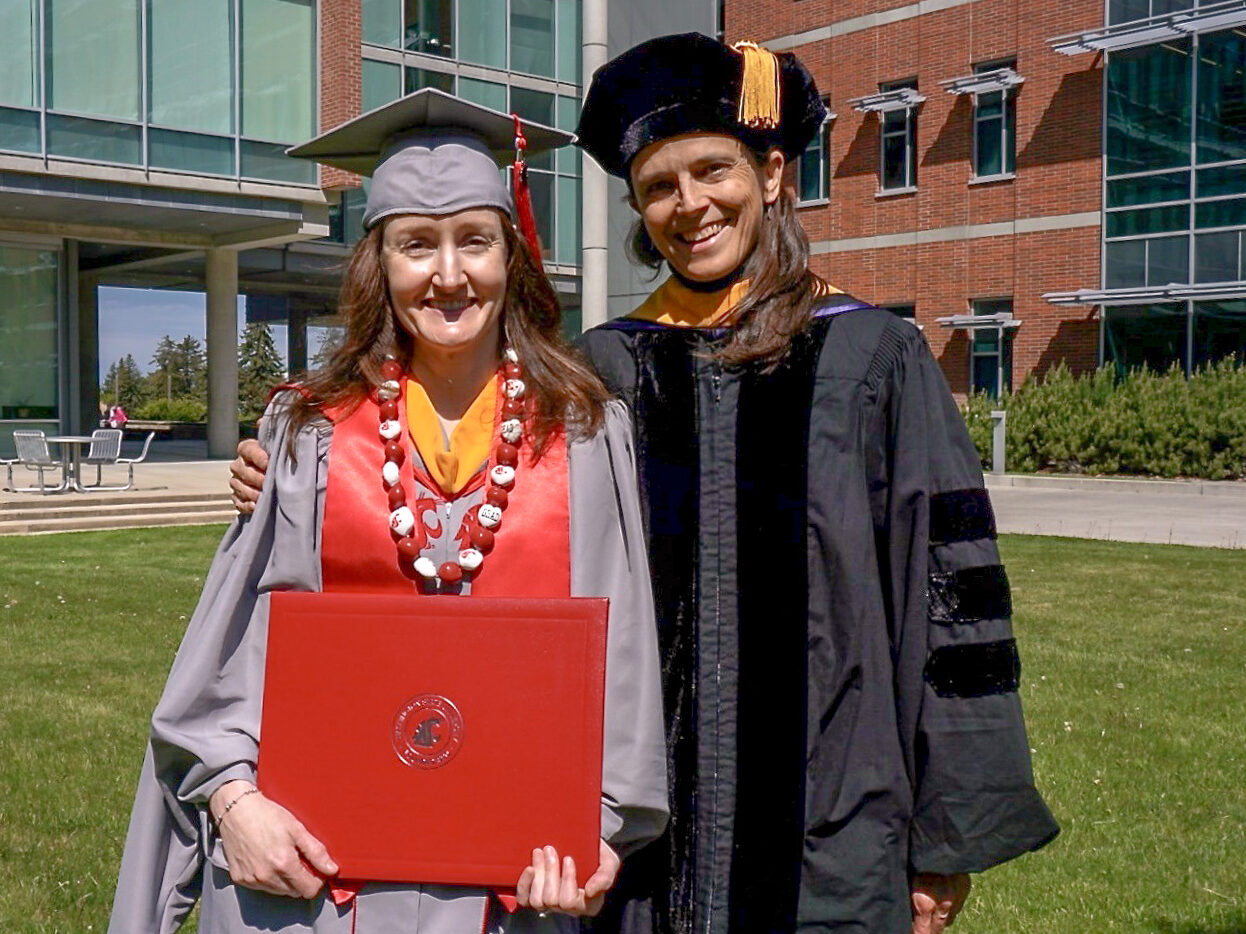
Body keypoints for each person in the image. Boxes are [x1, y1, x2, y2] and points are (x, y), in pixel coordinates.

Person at [232, 35, 1059, 934]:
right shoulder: (603, 374)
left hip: (834, 827)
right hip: (629, 844)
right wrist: (294, 479)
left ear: (774, 173)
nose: (690, 205)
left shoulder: (873, 359)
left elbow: (950, 600)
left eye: (714, 171)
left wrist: (941, 838)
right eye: (661, 187)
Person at [110, 90, 667, 934]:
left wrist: (601, 834)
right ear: (380, 263)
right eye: (416, 245)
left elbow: (620, 656)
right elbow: (223, 662)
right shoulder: (309, 435)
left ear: (511, 256)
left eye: (475, 240)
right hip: (316, 888)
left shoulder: (584, 435)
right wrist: (233, 805)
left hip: (509, 887)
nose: (449, 275)